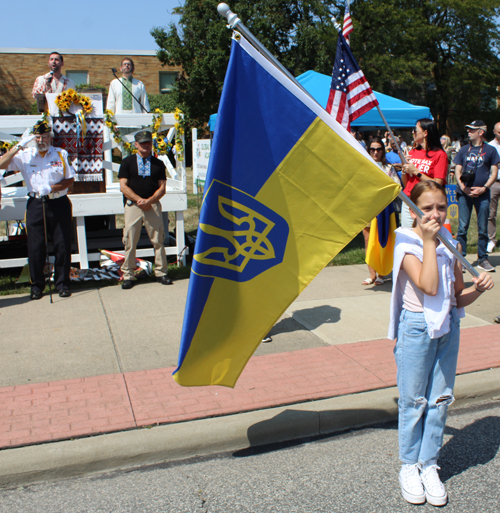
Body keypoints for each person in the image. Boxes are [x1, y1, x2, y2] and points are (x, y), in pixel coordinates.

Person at [388, 180, 493, 507]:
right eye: (427, 208)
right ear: (413, 210)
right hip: (417, 328)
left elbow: (456, 297)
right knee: (414, 400)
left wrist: (479, 288)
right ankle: (409, 465)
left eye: (440, 207)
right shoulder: (406, 243)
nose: (434, 214)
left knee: (440, 398)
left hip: (448, 326)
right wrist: (432, 243)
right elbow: (429, 287)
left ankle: (429, 463)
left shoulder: (449, 244)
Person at [0, 121, 75, 299]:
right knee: (36, 247)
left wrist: (53, 188)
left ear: (50, 137)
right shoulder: (25, 155)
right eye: (38, 137)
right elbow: (2, 164)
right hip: (35, 203)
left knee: (62, 244)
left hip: (58, 202)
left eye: (44, 136)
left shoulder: (60, 154)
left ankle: (62, 284)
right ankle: (37, 286)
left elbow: (70, 180)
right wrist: (18, 146)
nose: (41, 140)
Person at [118, 130, 171, 289]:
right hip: (133, 205)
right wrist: (138, 200)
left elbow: (162, 188)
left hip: (152, 205)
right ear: (136, 145)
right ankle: (128, 275)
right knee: (130, 241)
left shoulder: (158, 164)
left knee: (158, 240)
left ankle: (161, 272)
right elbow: (123, 186)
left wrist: (150, 201)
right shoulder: (127, 162)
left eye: (148, 143)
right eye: (142, 143)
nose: (146, 146)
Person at [454, 120, 499, 272]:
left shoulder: (491, 150)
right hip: (464, 194)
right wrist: (463, 188)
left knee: (482, 228)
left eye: (472, 130)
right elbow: (458, 171)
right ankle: (461, 259)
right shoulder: (463, 150)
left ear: (481, 132)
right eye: (468, 129)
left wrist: (484, 188)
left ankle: (482, 259)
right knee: (462, 228)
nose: (468, 132)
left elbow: (494, 173)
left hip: (483, 194)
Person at [362, 137, 401, 285]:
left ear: (383, 151)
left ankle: (381, 274)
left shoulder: (388, 168)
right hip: (367, 210)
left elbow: (397, 187)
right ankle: (372, 274)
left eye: (378, 149)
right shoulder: (364, 166)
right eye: (372, 149)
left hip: (383, 212)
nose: (375, 152)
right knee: (368, 242)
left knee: (382, 242)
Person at [401, 119, 448, 228]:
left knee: (425, 234)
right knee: (409, 235)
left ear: (425, 133)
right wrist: (405, 169)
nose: (413, 133)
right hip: (409, 199)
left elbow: (438, 183)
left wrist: (416, 172)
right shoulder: (412, 152)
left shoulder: (440, 155)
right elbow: (406, 182)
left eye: (415, 130)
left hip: (427, 202)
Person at [487, 122, 500, 253]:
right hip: (494, 182)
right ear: (494, 132)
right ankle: (491, 239)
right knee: (491, 213)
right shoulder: (490, 146)